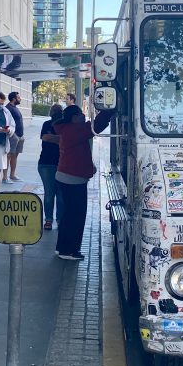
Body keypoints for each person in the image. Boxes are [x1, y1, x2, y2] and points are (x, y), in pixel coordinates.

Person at [53, 104, 114, 260]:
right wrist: (108, 110)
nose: (83, 116)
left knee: (68, 215)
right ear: (73, 117)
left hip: (67, 176)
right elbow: (95, 126)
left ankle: (62, 248)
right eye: (80, 113)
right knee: (76, 216)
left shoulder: (67, 129)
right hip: (73, 179)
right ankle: (69, 251)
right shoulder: (74, 130)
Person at [38, 104, 64, 230]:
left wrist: (53, 138)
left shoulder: (64, 125)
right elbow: (45, 137)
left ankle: (55, 219)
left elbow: (50, 138)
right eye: (55, 111)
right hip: (47, 163)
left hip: (59, 163)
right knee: (51, 193)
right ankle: (51, 219)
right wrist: (59, 139)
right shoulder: (47, 124)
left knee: (57, 193)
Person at [4, 91, 25, 183]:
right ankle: (5, 177)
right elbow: (6, 122)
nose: (20, 99)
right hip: (13, 135)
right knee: (8, 155)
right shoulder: (8, 108)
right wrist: (12, 134)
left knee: (15, 155)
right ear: (13, 99)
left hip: (20, 136)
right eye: (18, 97)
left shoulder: (15, 108)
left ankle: (12, 175)